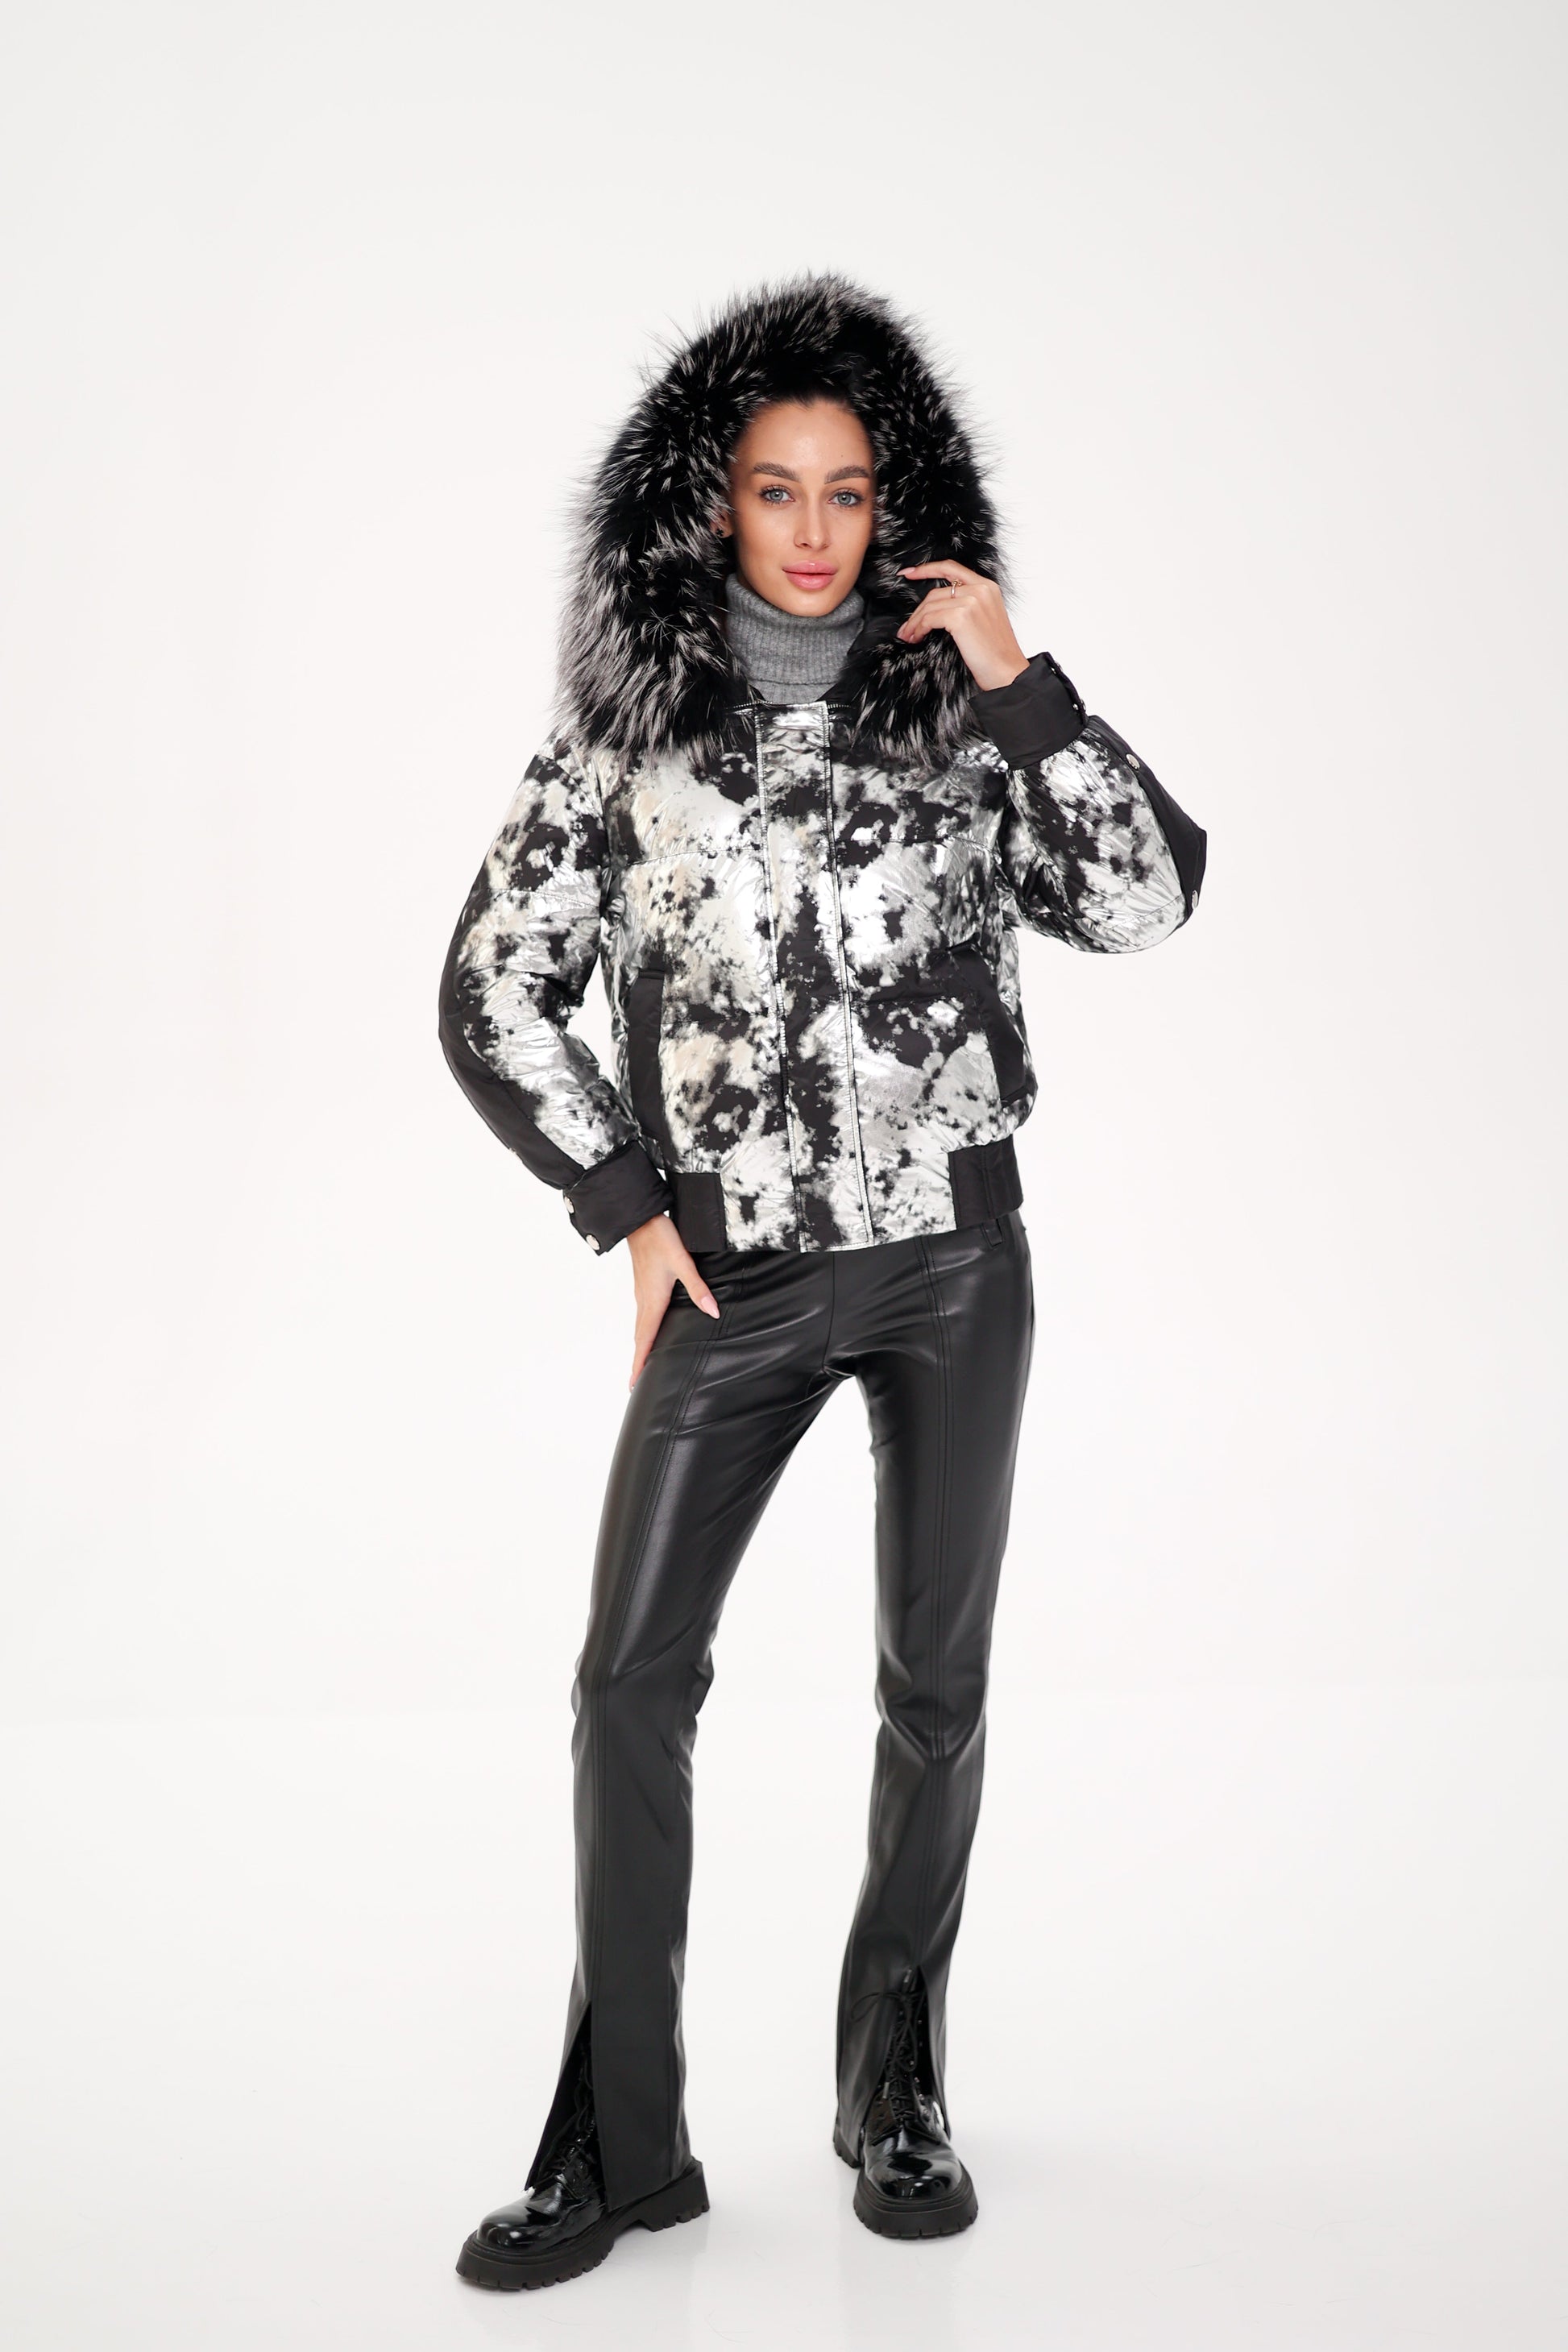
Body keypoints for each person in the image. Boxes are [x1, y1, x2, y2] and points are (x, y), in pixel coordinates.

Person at [439, 275, 1205, 2291]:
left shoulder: (953, 713)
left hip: (952, 1257)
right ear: (710, 504)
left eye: (846, 491)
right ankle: (615, 2136)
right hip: (740, 1282)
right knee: (628, 1681)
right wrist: (628, 1201)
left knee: (932, 1685)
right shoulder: (626, 738)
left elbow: (1145, 897)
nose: (809, 527)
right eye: (772, 489)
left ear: (895, 506)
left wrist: (1021, 679)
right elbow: (493, 988)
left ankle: (895, 2079)